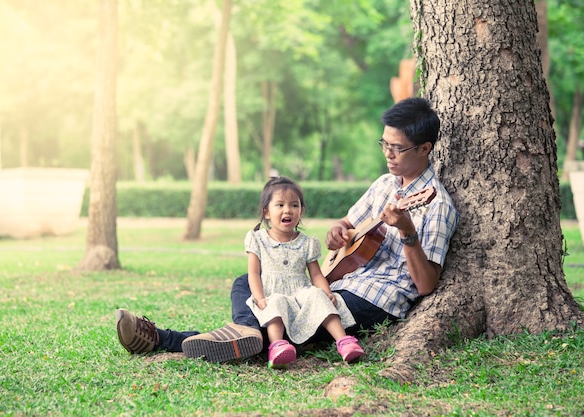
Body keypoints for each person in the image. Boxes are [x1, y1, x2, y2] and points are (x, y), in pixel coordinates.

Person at [115, 97, 459, 364]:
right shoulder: (385, 184)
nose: (387, 153)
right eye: (383, 144)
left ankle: (162, 338)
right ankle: (246, 332)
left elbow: (427, 284)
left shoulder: (438, 205)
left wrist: (407, 231)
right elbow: (346, 226)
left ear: (425, 148)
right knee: (248, 282)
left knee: (285, 320)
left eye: (396, 148)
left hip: (374, 299)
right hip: (333, 281)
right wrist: (336, 233)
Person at [244, 177, 363, 368]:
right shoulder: (257, 239)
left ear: (301, 211)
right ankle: (277, 346)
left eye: (294, 205)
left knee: (317, 296)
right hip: (272, 292)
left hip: (301, 291)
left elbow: (316, 274)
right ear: (267, 212)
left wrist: (326, 292)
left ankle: (344, 342)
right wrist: (259, 298)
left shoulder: (306, 242)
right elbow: (253, 273)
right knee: (276, 302)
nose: (287, 210)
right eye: (280, 205)